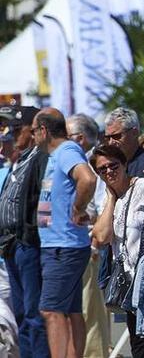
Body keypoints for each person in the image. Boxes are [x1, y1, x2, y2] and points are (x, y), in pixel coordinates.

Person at [33, 108, 97, 358]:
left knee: (50, 311)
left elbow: (87, 179)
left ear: (44, 131)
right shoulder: (58, 155)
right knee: (70, 310)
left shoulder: (66, 151)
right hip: (60, 244)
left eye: (34, 131)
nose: (33, 136)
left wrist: (79, 207)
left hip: (64, 245)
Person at [89, 144, 144, 356]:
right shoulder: (110, 200)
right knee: (139, 346)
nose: (109, 171)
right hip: (128, 283)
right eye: (102, 169)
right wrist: (110, 198)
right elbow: (101, 236)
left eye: (113, 165)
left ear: (125, 164)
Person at [0, 106, 49, 357]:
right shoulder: (19, 161)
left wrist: (31, 235)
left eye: (15, 129)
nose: (8, 134)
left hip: (28, 244)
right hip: (11, 244)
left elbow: (44, 202)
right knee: (21, 313)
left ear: (32, 131)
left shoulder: (39, 158)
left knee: (33, 313)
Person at [66, 113, 110, 358]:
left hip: (88, 247)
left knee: (88, 313)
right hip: (72, 247)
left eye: (67, 136)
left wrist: (93, 240)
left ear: (80, 139)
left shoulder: (93, 163)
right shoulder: (76, 162)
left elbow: (104, 207)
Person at [104, 107, 144, 178]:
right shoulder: (109, 166)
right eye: (107, 138)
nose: (111, 143)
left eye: (116, 136)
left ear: (134, 133)